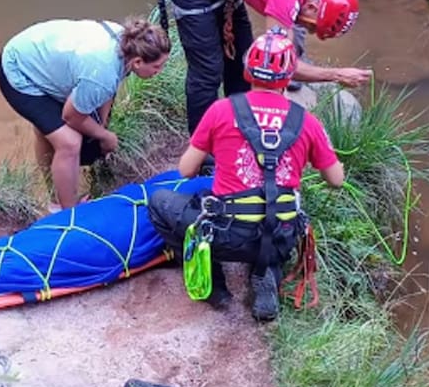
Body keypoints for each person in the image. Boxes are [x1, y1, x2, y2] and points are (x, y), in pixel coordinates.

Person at [147, 28, 345, 321]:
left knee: (160, 201)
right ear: (289, 77)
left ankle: (214, 287)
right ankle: (267, 272)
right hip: (281, 233)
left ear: (247, 70)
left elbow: (186, 170)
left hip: (227, 235)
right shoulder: (306, 121)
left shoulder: (221, 110)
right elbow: (336, 179)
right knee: (275, 219)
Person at [157, 0, 370, 133]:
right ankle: (202, 152)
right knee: (208, 72)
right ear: (313, 7)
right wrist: (335, 74)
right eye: (313, 27)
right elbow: (279, 65)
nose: (309, 30)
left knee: (241, 60)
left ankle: (236, 129)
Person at [0, 17, 171, 210]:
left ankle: (56, 199)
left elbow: (107, 88)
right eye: (157, 67)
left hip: (37, 54)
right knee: (69, 142)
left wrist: (100, 126)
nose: (160, 72)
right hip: (18, 69)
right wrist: (106, 137)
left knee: (50, 131)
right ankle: (69, 212)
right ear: (138, 62)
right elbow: (71, 116)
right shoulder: (102, 72)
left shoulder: (128, 42)